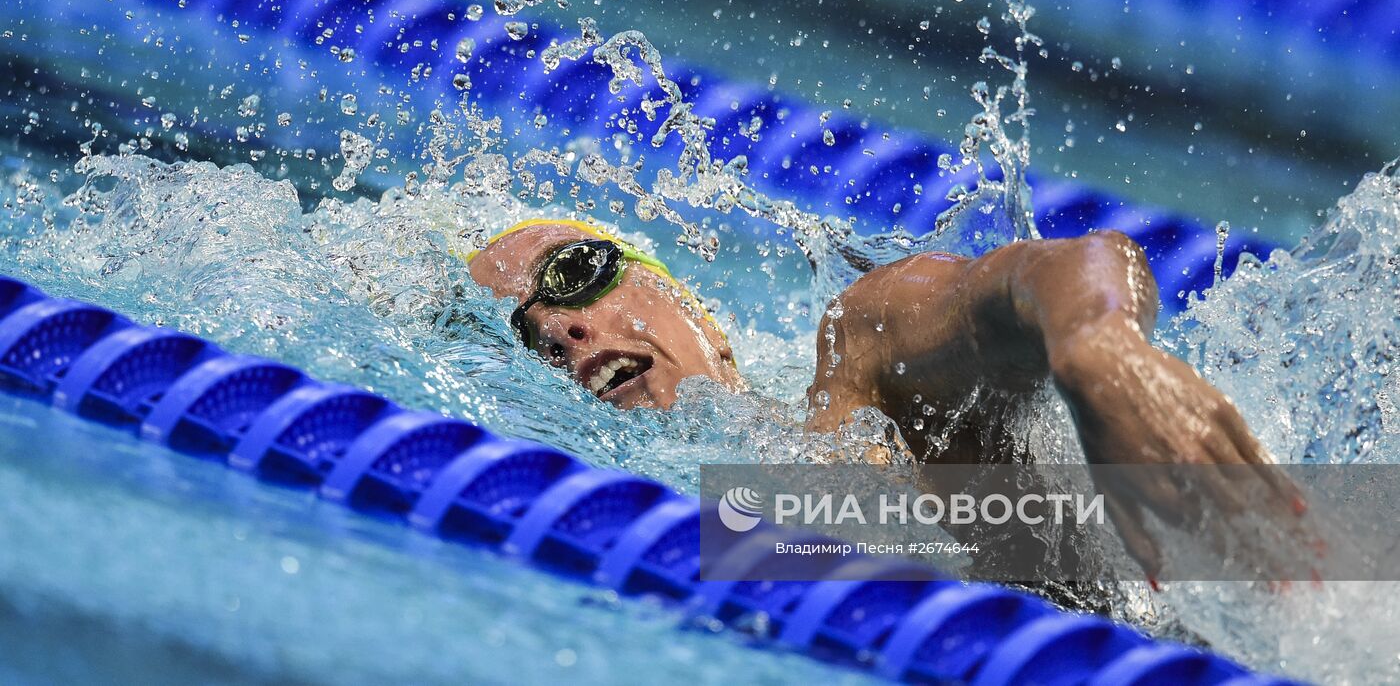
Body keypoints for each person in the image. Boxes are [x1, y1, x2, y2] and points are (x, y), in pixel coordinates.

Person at [466, 217, 1303, 579]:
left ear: (692, 304)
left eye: (573, 277)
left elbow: (1055, 269)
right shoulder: (652, 525)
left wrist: (1100, 352)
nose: (557, 331)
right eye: (523, 332)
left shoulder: (861, 356)